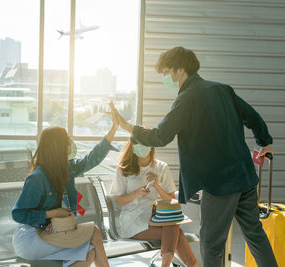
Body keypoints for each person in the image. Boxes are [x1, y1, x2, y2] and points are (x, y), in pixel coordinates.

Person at [109, 46, 277, 267]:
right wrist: (264, 142)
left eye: (167, 72)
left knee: (211, 243)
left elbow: (160, 137)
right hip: (244, 177)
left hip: (219, 184)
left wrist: (126, 126)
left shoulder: (187, 98)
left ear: (180, 70)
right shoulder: (223, 89)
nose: (165, 78)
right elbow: (253, 117)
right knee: (255, 235)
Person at [11, 110, 119, 267]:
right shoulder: (38, 177)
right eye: (68, 140)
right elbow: (18, 214)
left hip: (53, 233)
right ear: (58, 147)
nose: (71, 143)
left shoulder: (67, 169)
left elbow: (92, 158)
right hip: (31, 237)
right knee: (93, 234)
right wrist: (52, 214)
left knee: (90, 253)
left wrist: (114, 128)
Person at [110, 138, 199, 267]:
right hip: (133, 220)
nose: (141, 147)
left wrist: (157, 186)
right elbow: (118, 201)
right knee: (175, 232)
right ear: (132, 147)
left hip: (155, 216)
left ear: (151, 146)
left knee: (171, 221)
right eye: (137, 144)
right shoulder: (123, 169)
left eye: (144, 143)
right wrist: (136, 193)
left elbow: (171, 201)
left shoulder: (161, 167)